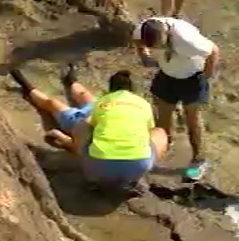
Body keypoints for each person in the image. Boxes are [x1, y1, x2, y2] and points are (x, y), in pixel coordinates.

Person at [10, 65, 168, 189]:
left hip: (96, 168)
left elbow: (89, 123)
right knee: (159, 132)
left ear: (110, 90)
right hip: (137, 167)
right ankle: (71, 81)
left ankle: (30, 88)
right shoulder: (143, 104)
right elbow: (147, 133)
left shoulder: (102, 102)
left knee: (54, 105)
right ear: (131, 90)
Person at [132, 17, 220, 180]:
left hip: (192, 77)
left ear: (166, 35)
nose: (157, 49)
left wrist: (206, 77)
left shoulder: (186, 39)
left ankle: (199, 159)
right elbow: (137, 41)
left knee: (192, 121)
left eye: (159, 46)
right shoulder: (141, 30)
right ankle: (161, 150)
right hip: (167, 75)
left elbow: (213, 51)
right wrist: (145, 56)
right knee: (162, 118)